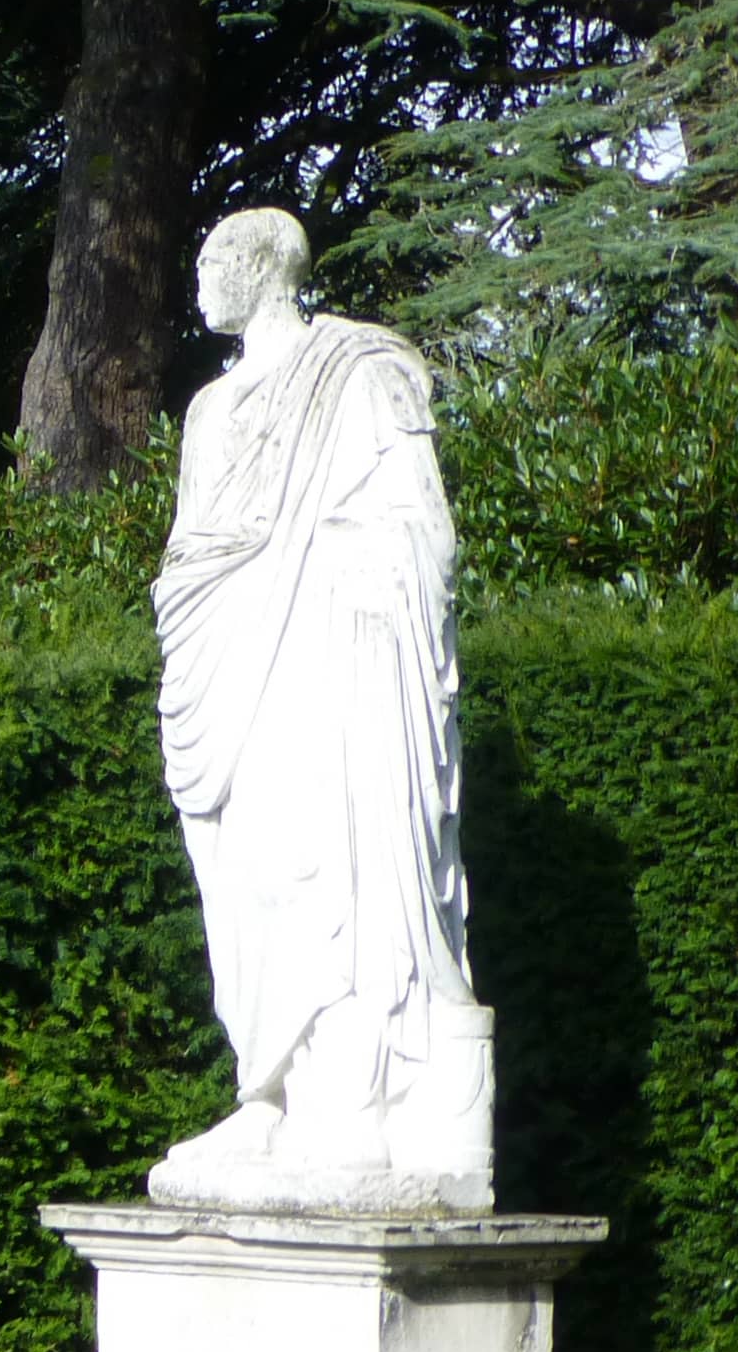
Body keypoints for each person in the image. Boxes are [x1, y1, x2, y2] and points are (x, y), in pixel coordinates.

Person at [150, 209, 489, 1203]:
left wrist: (342, 583)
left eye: (211, 262)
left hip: (332, 662)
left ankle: (353, 1103)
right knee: (250, 877)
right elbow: (191, 553)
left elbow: (416, 528)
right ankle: (271, 1093)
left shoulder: (362, 372)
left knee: (334, 870)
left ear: (257, 269)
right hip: (235, 666)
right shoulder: (208, 411)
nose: (198, 283)